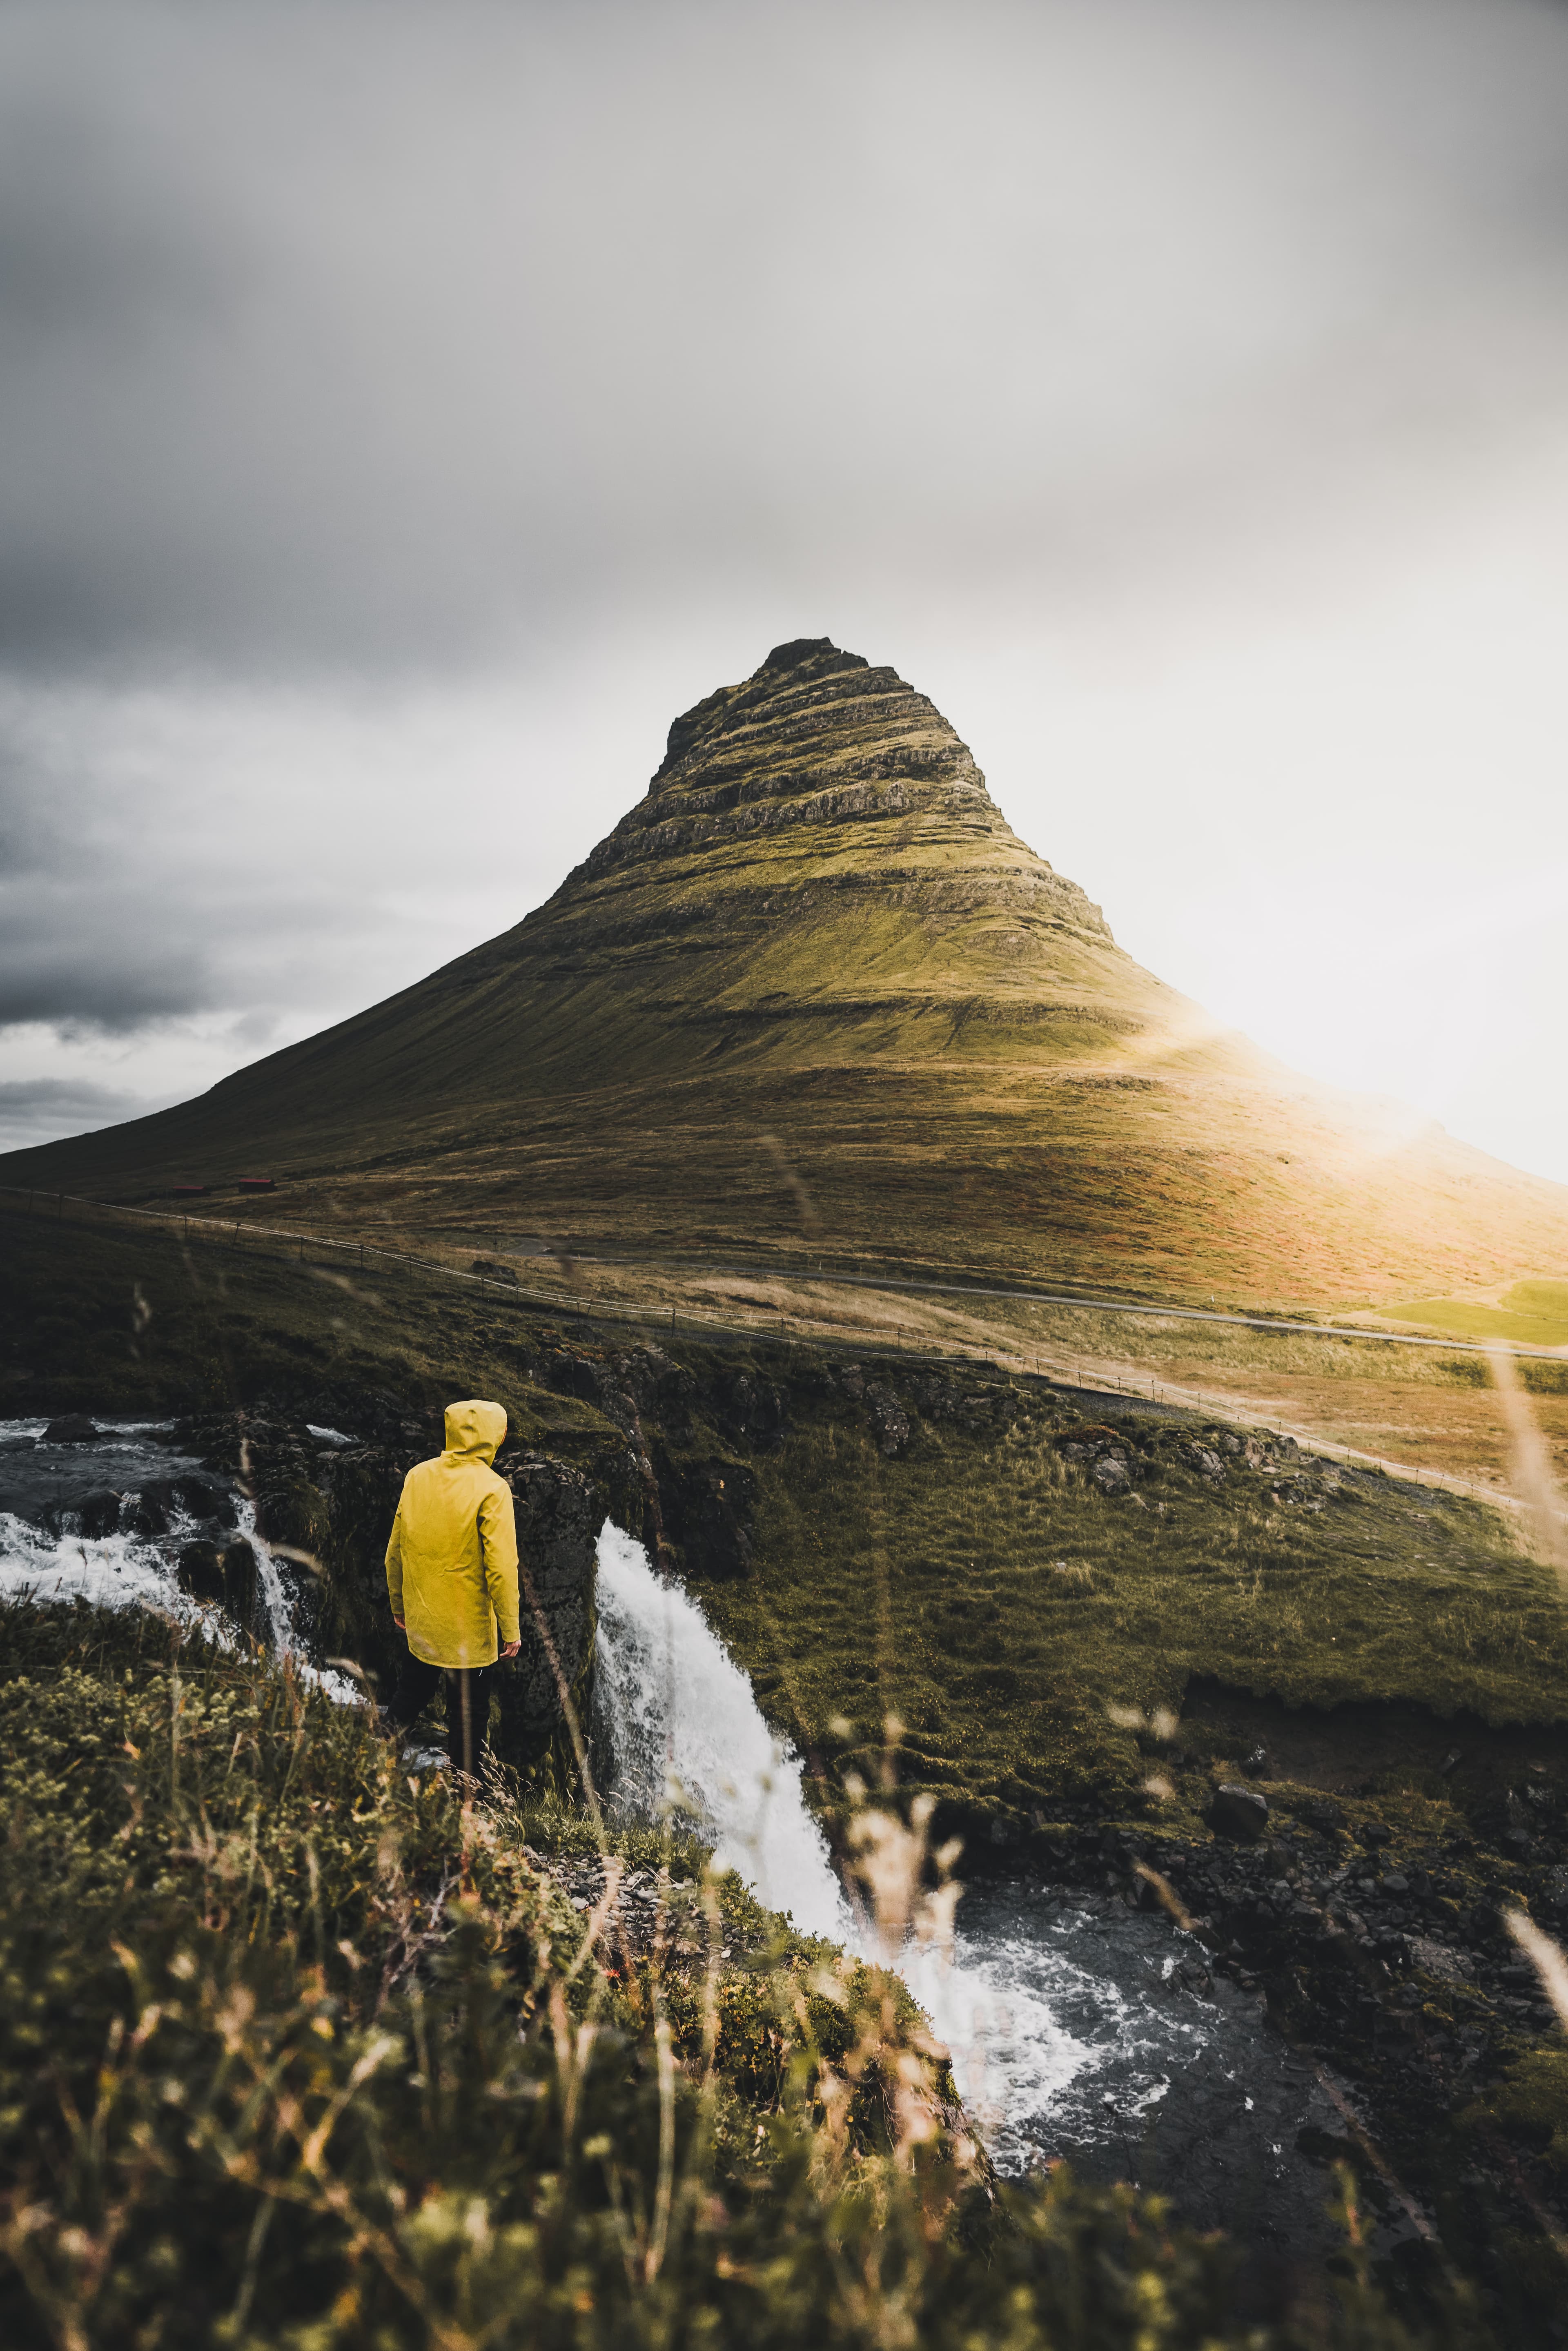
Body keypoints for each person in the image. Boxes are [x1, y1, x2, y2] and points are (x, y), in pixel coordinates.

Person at [382, 1397, 521, 1785]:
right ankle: (465, 1796)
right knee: (469, 1717)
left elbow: (395, 1550)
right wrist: (510, 1628)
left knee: (409, 1695)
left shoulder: (417, 1476)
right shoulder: (493, 1489)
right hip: (469, 1632)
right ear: (494, 1436)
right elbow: (501, 1568)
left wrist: (399, 1605)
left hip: (423, 1619)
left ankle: (373, 1766)